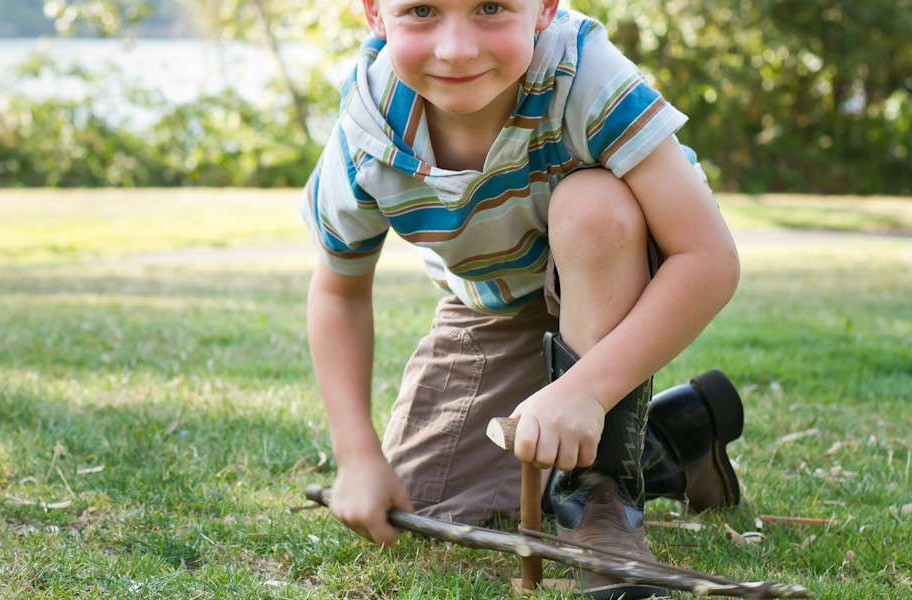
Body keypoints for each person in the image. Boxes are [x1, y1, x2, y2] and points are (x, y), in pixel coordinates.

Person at [301, 0, 742, 597]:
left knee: (592, 205)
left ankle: (600, 497)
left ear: (545, 7)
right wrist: (356, 455)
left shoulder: (584, 75)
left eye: (490, 7)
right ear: (376, 13)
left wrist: (587, 389)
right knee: (420, 502)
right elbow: (340, 289)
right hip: (497, 303)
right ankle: (676, 437)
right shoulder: (367, 130)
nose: (456, 49)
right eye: (422, 10)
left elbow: (708, 259)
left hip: (619, 267)